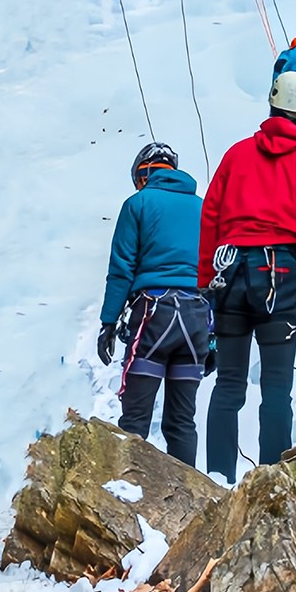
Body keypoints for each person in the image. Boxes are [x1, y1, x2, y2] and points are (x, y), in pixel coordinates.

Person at [197, 72, 296, 481]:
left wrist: (205, 281)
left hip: (230, 273)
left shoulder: (238, 154)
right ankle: (274, 482)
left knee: (228, 385)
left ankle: (219, 479)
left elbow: (211, 217)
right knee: (276, 388)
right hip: (279, 274)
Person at [100, 143, 209, 464]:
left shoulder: (138, 204)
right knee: (181, 423)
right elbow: (214, 271)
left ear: (143, 175)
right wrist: (213, 339)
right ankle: (189, 506)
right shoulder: (203, 208)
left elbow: (121, 269)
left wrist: (109, 322)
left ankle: (127, 503)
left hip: (154, 315)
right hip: (197, 320)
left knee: (135, 422)